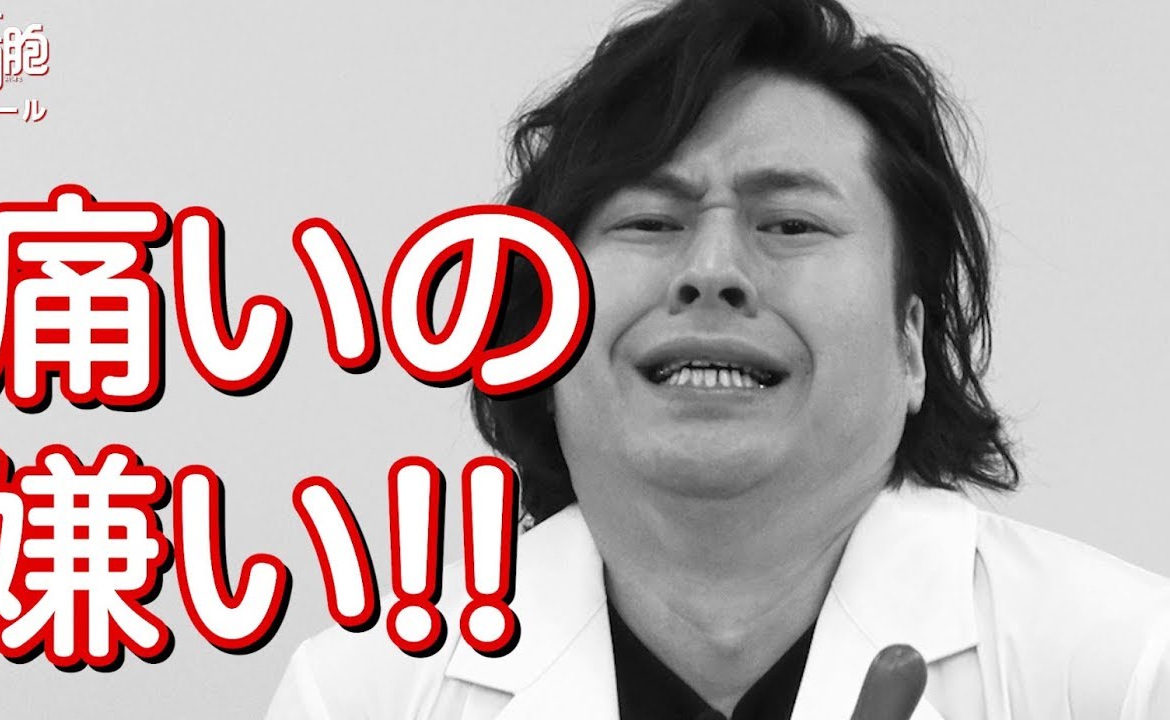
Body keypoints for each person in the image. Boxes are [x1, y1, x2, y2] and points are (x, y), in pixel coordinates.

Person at [267, 0, 1170, 717]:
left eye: (791, 223)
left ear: (910, 344)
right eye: (649, 222)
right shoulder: (362, 694)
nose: (711, 270)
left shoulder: (1126, 669)